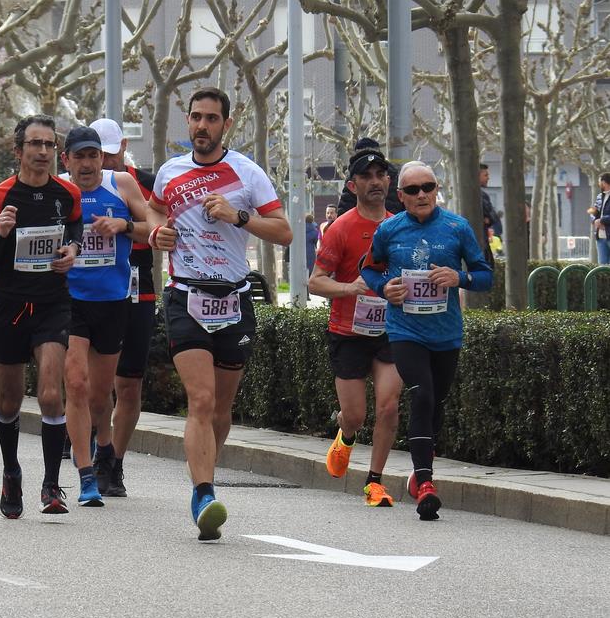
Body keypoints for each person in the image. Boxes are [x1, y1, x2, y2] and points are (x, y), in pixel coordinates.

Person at [148, 86, 292, 541]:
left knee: (222, 410)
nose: (202, 127)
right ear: (187, 122)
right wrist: (157, 235)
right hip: (185, 296)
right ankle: (204, 493)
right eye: (195, 118)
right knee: (202, 400)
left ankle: (205, 469)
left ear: (226, 124)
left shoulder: (247, 174)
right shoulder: (171, 172)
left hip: (233, 298)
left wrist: (238, 217)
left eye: (211, 119)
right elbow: (153, 211)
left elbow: (284, 232)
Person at [360, 161, 492, 521]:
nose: (422, 195)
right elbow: (369, 268)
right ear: (400, 196)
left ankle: (419, 474)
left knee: (436, 405)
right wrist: (384, 288)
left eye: (428, 187)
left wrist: (459, 277)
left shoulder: (457, 227)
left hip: (446, 333)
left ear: (436, 189)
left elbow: (485, 276)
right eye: (413, 189)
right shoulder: (389, 230)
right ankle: (426, 483)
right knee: (423, 394)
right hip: (405, 330)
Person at [0, 114, 83, 518]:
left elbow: (75, 229)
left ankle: (52, 484)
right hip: (10, 305)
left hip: (52, 302)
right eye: (35, 145)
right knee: (8, 399)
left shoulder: (67, 193)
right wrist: (2, 234)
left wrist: (72, 252)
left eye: (49, 145)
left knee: (52, 394)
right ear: (18, 150)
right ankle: (11, 471)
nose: (42, 153)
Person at [308, 149, 402, 508]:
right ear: (353, 184)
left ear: (389, 182)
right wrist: (350, 288)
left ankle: (374, 482)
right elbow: (315, 282)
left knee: (390, 407)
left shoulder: (399, 226)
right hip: (348, 333)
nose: (375, 181)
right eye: (367, 176)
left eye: (381, 175)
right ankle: (345, 437)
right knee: (356, 415)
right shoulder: (341, 229)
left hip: (389, 331)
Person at [61, 125, 150, 506]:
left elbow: (155, 228)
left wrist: (124, 225)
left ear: (102, 157)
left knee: (100, 395)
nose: (86, 164)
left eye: (92, 156)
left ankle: (105, 449)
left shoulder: (122, 185)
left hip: (113, 301)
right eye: (78, 156)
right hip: (69, 301)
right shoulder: (58, 189)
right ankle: (85, 475)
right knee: (77, 385)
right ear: (66, 160)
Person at [88, 117, 158, 497]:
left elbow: (162, 229)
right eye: (98, 154)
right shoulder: (76, 183)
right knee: (93, 384)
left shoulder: (143, 181)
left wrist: (125, 225)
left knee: (129, 383)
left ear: (123, 147)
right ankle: (97, 449)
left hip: (137, 285)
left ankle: (115, 462)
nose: (105, 162)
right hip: (93, 289)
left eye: (111, 153)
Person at [337, 137, 403, 215]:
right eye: (365, 176)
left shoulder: (393, 174)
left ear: (388, 180)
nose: (375, 182)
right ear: (352, 186)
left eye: (380, 175)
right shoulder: (393, 172)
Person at [588, 172, 610, 265]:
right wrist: (594, 220)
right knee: (602, 267)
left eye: (600, 182)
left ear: (604, 182)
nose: (599, 184)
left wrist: (601, 220)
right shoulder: (599, 196)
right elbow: (591, 211)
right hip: (600, 238)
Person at [479, 164, 502, 238]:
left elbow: (492, 218)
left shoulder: (483, 195)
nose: (488, 178)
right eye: (485, 175)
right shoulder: (482, 196)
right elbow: (492, 217)